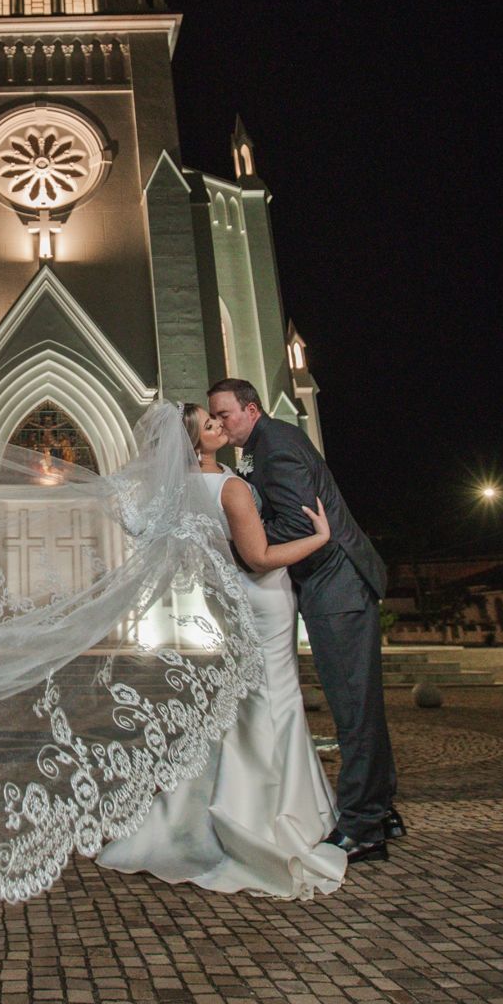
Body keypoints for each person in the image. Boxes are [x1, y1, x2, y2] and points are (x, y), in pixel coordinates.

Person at [98, 403, 348, 899]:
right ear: (194, 443)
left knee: (250, 701)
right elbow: (259, 557)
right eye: (209, 425)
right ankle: (273, 813)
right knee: (275, 699)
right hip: (262, 599)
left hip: (229, 603)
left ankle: (237, 802)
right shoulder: (230, 487)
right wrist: (320, 537)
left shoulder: (178, 490)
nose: (219, 426)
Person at [207, 378, 402, 863]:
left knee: (353, 709)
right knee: (359, 707)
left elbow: (298, 523)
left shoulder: (276, 447)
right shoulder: (262, 444)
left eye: (225, 413)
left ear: (251, 410)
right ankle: (380, 810)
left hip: (338, 588)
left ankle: (363, 828)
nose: (221, 422)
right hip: (327, 587)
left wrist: (237, 540)